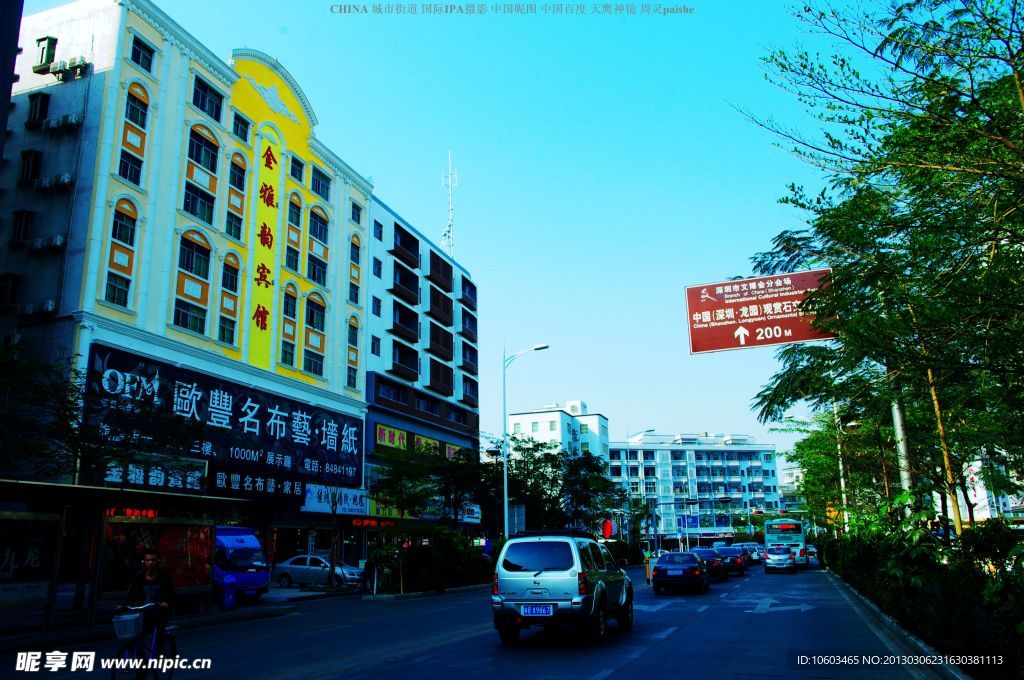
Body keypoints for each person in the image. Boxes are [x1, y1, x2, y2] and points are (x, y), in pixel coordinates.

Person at [122, 550, 176, 635]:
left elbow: (170, 593)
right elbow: (132, 594)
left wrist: (166, 602)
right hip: (144, 613)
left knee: (159, 637)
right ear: (144, 562)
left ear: (157, 561)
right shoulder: (139, 577)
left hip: (161, 612)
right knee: (137, 636)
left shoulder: (164, 576)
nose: (150, 562)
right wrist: (124, 606)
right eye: (148, 560)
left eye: (153, 560)